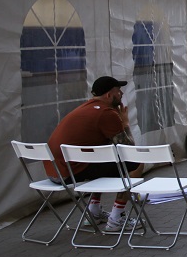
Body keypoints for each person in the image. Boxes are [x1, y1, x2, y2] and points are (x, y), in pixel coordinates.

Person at [45, 76, 143, 232]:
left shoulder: (84, 108)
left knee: (104, 162)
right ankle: (117, 217)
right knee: (135, 163)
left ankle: (94, 211)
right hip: (69, 172)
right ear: (109, 95)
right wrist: (125, 123)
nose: (122, 94)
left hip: (54, 172)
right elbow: (128, 150)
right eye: (118, 91)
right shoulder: (107, 113)